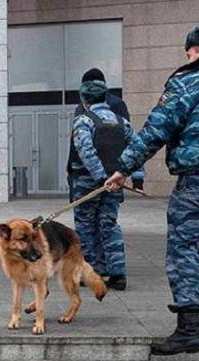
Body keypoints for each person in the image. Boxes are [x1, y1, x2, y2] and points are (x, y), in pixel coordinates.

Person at [105, 24, 199, 355]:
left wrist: (123, 169)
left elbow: (155, 129)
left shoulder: (188, 81)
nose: (186, 56)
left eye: (188, 51)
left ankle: (188, 326)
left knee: (182, 245)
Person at [68, 80, 144, 291]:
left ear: (85, 100)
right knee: (109, 224)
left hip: (88, 183)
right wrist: (137, 176)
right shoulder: (121, 122)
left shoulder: (84, 121)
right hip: (116, 182)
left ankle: (93, 272)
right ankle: (117, 272)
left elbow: (86, 151)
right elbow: (137, 148)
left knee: (85, 226)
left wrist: (101, 178)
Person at [67, 68, 143, 200]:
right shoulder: (120, 117)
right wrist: (137, 176)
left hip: (88, 175)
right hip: (113, 174)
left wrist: (100, 177)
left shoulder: (84, 112)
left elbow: (83, 147)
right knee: (108, 219)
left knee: (85, 220)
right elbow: (135, 146)